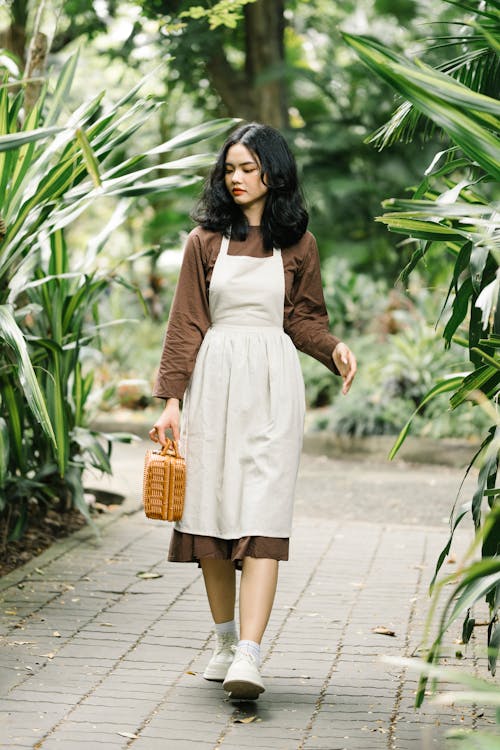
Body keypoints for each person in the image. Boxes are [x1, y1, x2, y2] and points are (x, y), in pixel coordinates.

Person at [149, 122, 357, 701]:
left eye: (247, 168)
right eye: (229, 169)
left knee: (264, 510)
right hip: (214, 384)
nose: (235, 179)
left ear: (273, 171)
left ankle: (250, 653)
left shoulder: (299, 242)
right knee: (211, 510)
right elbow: (186, 323)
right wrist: (171, 403)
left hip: (272, 387)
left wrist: (332, 347)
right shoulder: (205, 240)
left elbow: (303, 318)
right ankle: (222, 638)